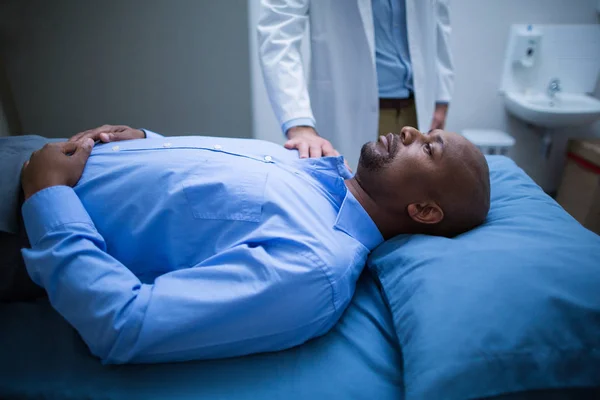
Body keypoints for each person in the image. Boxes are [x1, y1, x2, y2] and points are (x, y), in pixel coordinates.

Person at [0, 124, 489, 364]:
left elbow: (124, 324)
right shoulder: (315, 167)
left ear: (425, 212)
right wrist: (138, 139)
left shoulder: (314, 267)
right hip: (30, 151)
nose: (409, 130)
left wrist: (49, 195)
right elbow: (193, 194)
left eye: (428, 147)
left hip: (14, 216)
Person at [258, 0, 454, 169]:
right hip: (347, 111)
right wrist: (299, 125)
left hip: (417, 109)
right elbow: (278, 36)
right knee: (352, 200)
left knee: (412, 199)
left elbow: (440, 19)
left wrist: (441, 99)